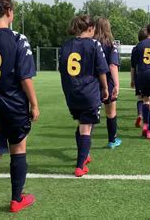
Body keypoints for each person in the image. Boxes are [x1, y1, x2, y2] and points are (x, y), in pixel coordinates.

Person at [0, 0, 39, 212]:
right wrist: (35, 104)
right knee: (18, 146)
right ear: (9, 12)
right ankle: (16, 199)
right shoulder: (17, 39)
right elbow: (25, 77)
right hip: (13, 104)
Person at [59, 15, 109, 177]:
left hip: (71, 92)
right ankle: (80, 166)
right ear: (91, 29)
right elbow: (101, 70)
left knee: (82, 124)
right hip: (89, 91)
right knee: (86, 127)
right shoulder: (94, 44)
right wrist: (105, 87)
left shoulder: (66, 45)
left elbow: (62, 70)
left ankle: (84, 155)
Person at [94, 17, 122, 149]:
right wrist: (117, 84)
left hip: (92, 82)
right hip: (108, 82)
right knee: (110, 112)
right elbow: (113, 66)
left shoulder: (90, 43)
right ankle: (112, 140)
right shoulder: (110, 45)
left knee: (90, 114)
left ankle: (85, 145)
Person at [131, 28, 148, 128]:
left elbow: (133, 66)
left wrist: (132, 79)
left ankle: (140, 114)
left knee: (139, 98)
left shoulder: (135, 49)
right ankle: (146, 121)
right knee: (147, 99)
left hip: (139, 75)